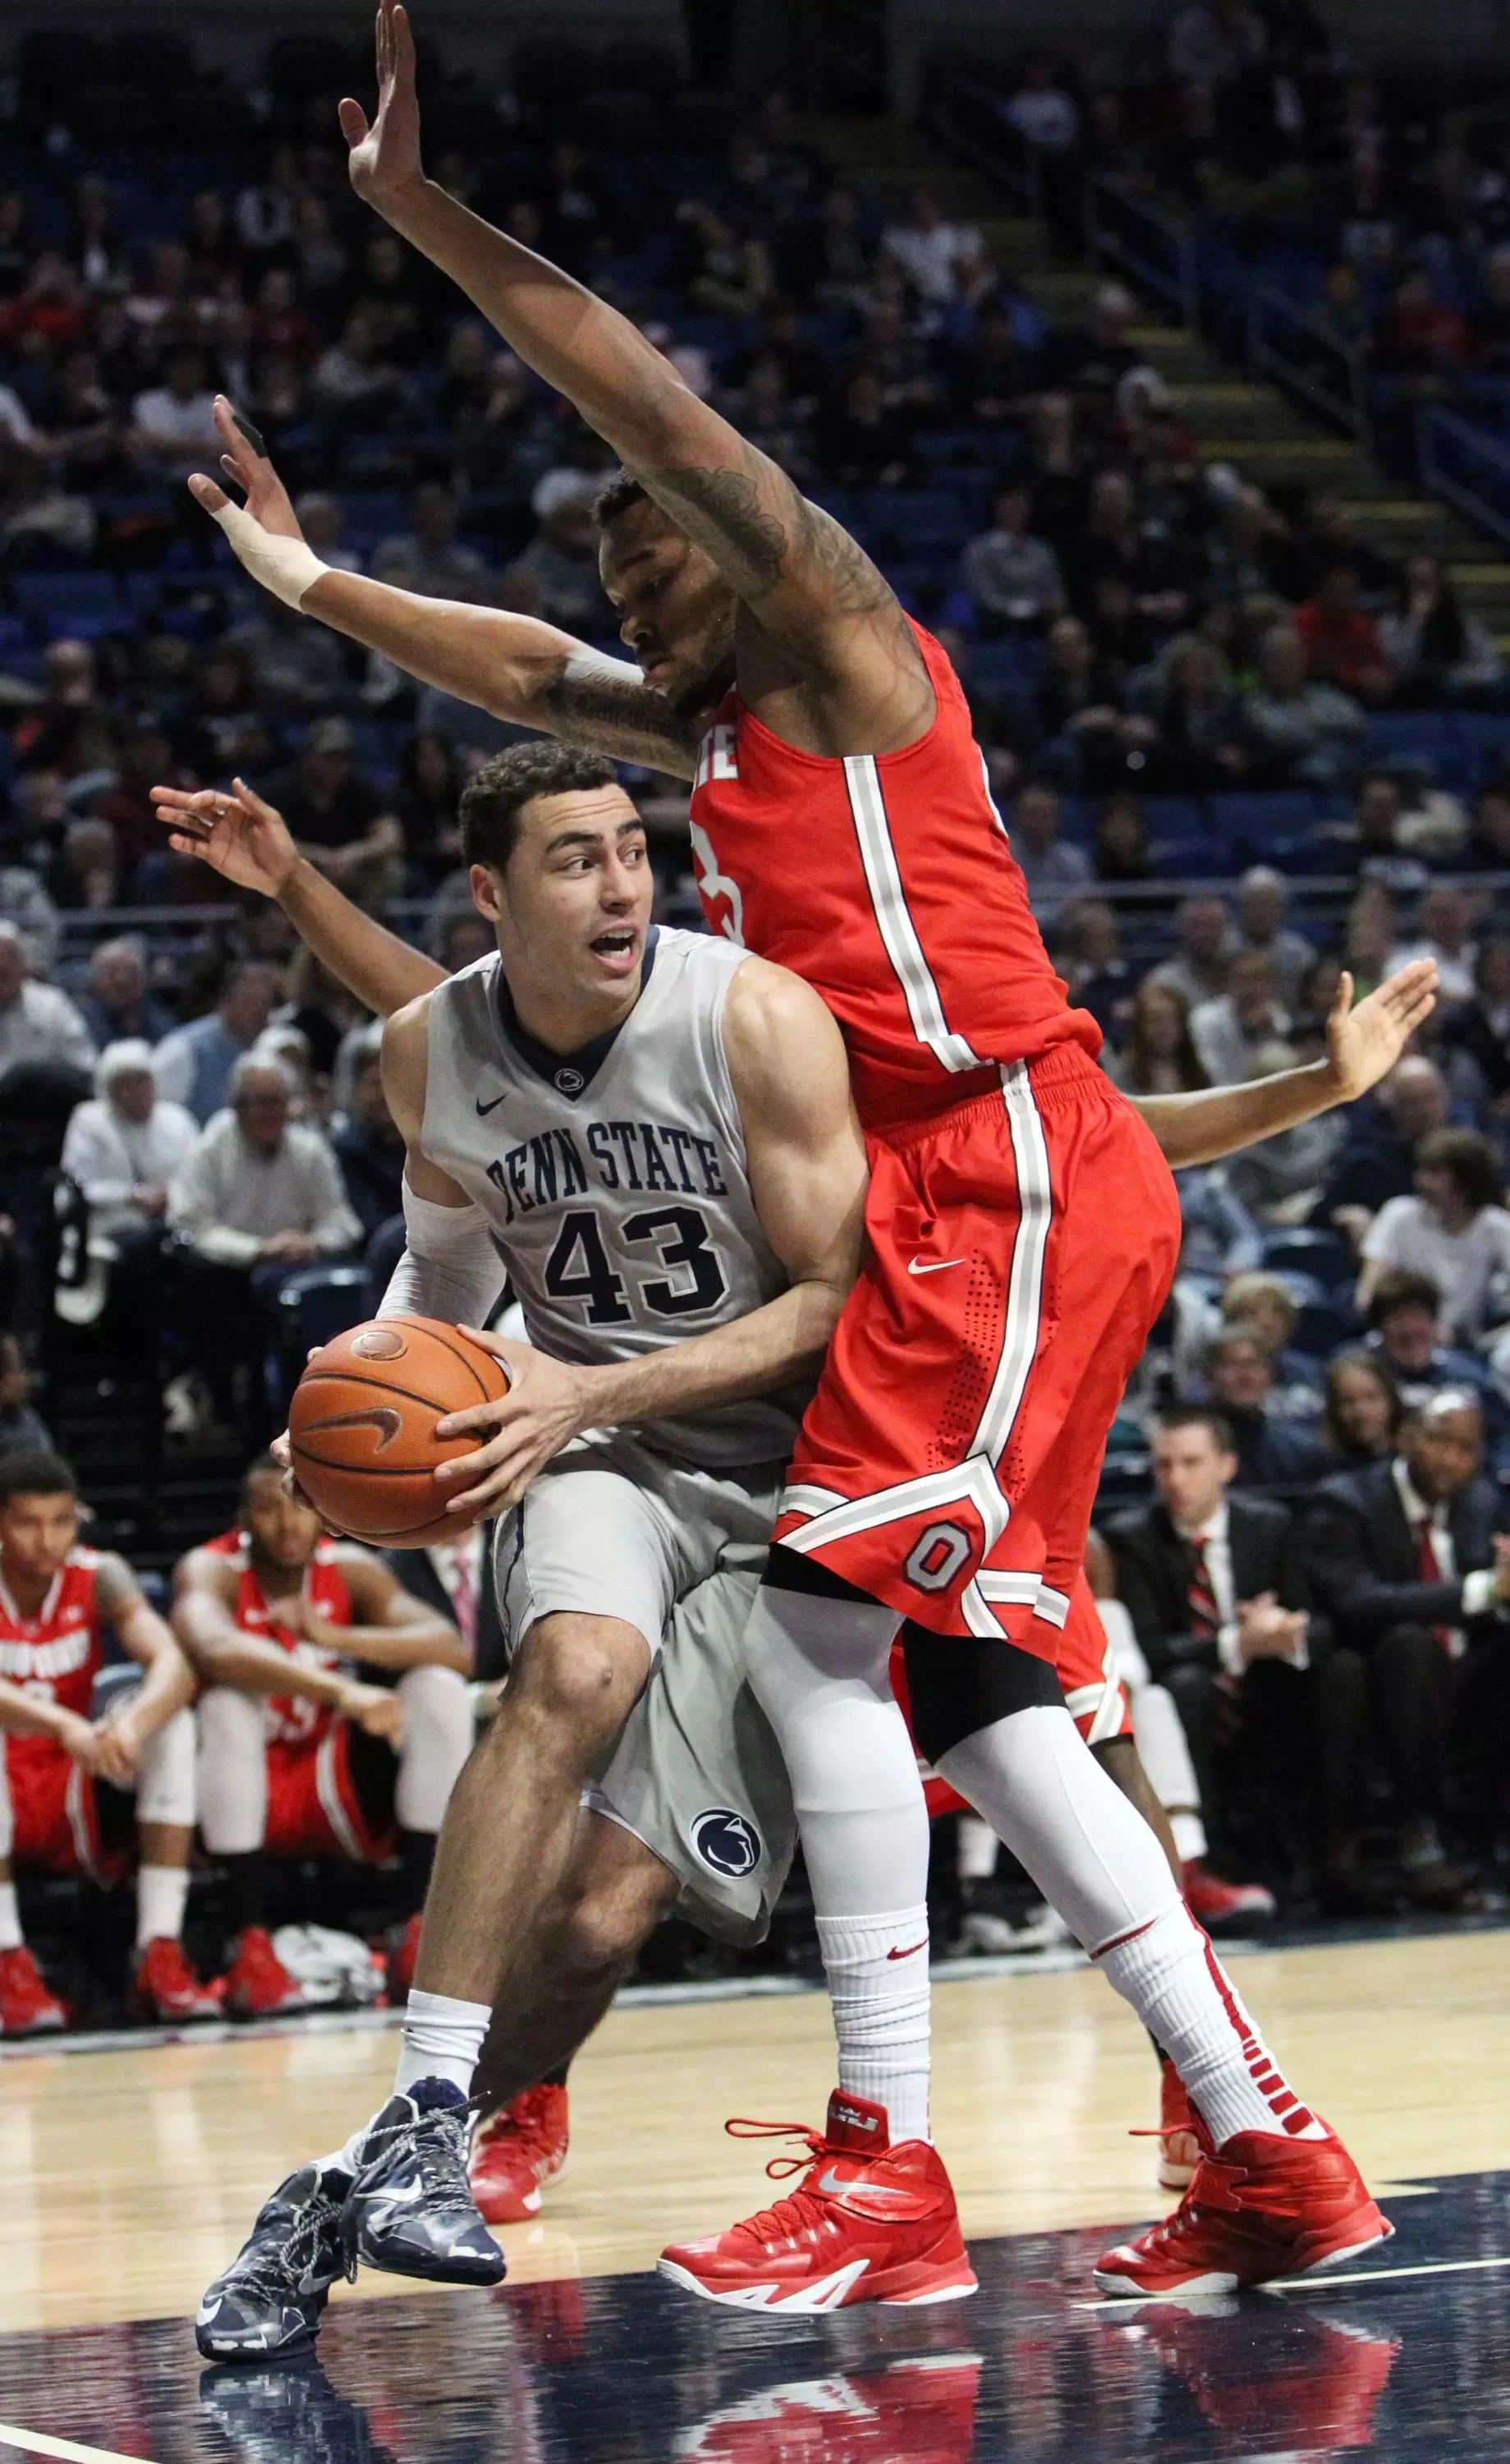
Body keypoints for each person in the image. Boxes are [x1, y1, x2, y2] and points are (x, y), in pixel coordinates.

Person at [185, 7, 1402, 2310]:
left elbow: (634, 395)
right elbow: (523, 672)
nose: (633, 593)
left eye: (655, 557)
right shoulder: (721, 736)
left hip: (1005, 1174)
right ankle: (1256, 2143)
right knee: (952, 1683)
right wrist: (310, 582)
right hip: (969, 1189)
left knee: (837, 1633)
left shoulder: (841, 643)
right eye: (619, 575)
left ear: (743, 540)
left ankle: (891, 2161)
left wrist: (415, 213)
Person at [158, 769, 1432, 2343]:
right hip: (618, 1449)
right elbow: (460, 1046)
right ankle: (517, 2119)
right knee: (664, 1673)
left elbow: (1080, 1134)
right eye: (579, 860)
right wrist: (298, 886)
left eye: (635, 853)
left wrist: (1310, 1088)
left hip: (819, 1450)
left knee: (668, 1882)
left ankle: (1204, 2129)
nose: (624, 884)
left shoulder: (770, 1015)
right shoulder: (496, 1030)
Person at [174, 1457, 473, 2016]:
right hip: (237, 1777)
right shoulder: (213, 1569)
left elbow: (451, 1647)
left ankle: (418, 1927)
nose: (287, 1525)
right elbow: (213, 1649)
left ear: (321, 1513)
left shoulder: (351, 1569)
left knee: (438, 1689)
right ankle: (248, 1943)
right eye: (268, 1510)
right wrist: (341, 1691)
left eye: (299, 1509)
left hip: (328, 1777)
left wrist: (335, 1636)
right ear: (243, 1520)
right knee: (224, 1703)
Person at [0, 1449, 219, 2031]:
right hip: (21, 1757)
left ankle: (159, 1949)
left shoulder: (101, 1574)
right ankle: (6, 1961)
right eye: (27, 1523)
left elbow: (174, 1663)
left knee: (173, 1724)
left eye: (61, 1521)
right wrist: (62, 1723)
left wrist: (132, 1724)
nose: (47, 1539)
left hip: (72, 1770)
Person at [1108, 1408, 1320, 1917]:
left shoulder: (1270, 1525)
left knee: (1329, 1676)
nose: (1175, 1479)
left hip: (1265, 1685)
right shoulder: (1130, 1538)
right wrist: (1238, 1642)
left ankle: (1324, 1858)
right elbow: (1150, 1650)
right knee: (1185, 1688)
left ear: (1226, 1466)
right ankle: (1201, 1862)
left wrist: (1282, 1630)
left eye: (1190, 1463)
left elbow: (1317, 1618)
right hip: (1186, 1695)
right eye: (1164, 1465)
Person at [1305, 1393, 1510, 1910]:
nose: (1451, 1459)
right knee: (1411, 1646)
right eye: (1439, 1441)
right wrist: (1484, 1590)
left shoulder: (1481, 1502)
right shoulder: (1345, 1501)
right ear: (1406, 1437)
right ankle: (1416, 1834)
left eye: (1466, 1448)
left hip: (1469, 1672)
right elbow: (1356, 1604)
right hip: (1375, 1675)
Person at [166, 1054, 360, 1433]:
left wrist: (311, 1242)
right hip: (229, 1273)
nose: (270, 1113)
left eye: (278, 1102)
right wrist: (259, 1249)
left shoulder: (309, 1148)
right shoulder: (211, 1149)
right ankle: (230, 1411)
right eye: (260, 1102)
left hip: (297, 1268)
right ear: (238, 1106)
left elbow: (342, 1222)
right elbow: (191, 1224)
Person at [1357, 1129, 1510, 1344]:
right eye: (1421, 1170)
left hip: (1468, 1345)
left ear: (1466, 1181)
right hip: (1401, 1337)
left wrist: (1492, 1340)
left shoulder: (1497, 1227)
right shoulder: (1399, 1215)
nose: (1420, 1180)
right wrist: (1416, 1327)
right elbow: (1368, 1295)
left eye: (1434, 1173)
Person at [61, 1040, 198, 1239]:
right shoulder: (89, 1120)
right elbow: (78, 1187)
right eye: (126, 1084)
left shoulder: (177, 1118)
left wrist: (171, 1193)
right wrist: (130, 1196)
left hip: (175, 1224)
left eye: (142, 1081)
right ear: (108, 1089)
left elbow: (199, 1177)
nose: (136, 1091)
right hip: (110, 1227)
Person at [152, 961, 280, 1125]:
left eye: (265, 1002)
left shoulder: (277, 1045)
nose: (259, 1011)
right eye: (250, 1001)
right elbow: (161, 1120)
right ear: (225, 1003)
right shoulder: (184, 1050)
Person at [1202, 1326, 1329, 1487]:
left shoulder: (1300, 1453)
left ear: (1270, 1375)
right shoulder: (1187, 1450)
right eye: (1233, 1364)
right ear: (1209, 1376)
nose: (1246, 1375)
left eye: (1253, 1364)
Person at [0, 923, 94, 1079]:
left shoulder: (52, 1005)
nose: (2, 965)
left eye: (10, 957)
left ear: (25, 965)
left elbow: (84, 1065)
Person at [1191, 950, 1290, 1087]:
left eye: (1259, 979)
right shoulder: (1206, 1018)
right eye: (1244, 979)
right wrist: (1245, 1030)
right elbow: (1211, 1075)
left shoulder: (1277, 1015)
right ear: (1228, 982)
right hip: (1222, 1094)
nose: (1252, 988)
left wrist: (1271, 1031)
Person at [1007, 779, 1090, 932]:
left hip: (1064, 929)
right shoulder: (1001, 854)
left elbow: (1082, 899)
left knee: (1093, 917)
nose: (1038, 822)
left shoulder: (1073, 858)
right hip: (1012, 927)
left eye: (1045, 815)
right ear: (1018, 815)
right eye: (1033, 814)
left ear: (1056, 818)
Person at [79, 938, 174, 1050]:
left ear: (144, 979)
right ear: (95, 981)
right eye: (112, 973)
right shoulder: (80, 1026)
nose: (122, 980)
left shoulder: (164, 1026)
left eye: (130, 972)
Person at [1321, 1350, 1402, 1466]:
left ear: (1391, 1399)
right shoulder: (1323, 1468)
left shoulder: (1412, 1461)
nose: (1361, 1412)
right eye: (1348, 1401)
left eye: (1371, 1397)